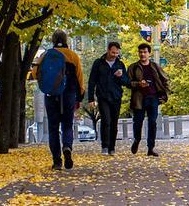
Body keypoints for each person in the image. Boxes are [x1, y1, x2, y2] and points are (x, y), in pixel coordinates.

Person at [33, 29, 85, 170]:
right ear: (66, 40)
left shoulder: (46, 55)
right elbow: (80, 77)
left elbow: (35, 73)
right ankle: (67, 146)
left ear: (53, 40)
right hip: (69, 94)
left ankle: (57, 161)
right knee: (67, 125)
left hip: (51, 95)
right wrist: (80, 96)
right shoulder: (73, 56)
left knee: (53, 128)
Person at [87, 41, 130, 155]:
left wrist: (121, 76)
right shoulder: (98, 63)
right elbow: (92, 81)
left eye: (116, 53)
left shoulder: (120, 64)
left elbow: (127, 82)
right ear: (108, 50)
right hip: (103, 96)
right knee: (106, 120)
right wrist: (91, 98)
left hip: (116, 96)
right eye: (113, 52)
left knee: (114, 123)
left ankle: (112, 147)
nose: (114, 55)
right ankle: (104, 146)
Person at [127, 43, 170, 157]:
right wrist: (138, 84)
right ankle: (137, 140)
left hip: (153, 98)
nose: (142, 54)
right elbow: (128, 83)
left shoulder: (155, 66)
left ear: (149, 53)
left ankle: (150, 148)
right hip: (139, 99)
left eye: (145, 52)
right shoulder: (133, 67)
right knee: (138, 122)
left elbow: (165, 79)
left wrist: (164, 93)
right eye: (140, 52)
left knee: (152, 123)